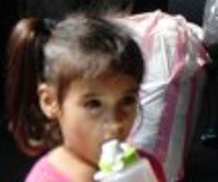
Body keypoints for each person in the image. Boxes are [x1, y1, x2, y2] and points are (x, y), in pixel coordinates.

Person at [6, 15, 166, 182]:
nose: (116, 123)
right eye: (94, 104)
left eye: (127, 101)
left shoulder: (148, 168)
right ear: (49, 102)